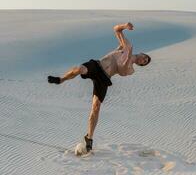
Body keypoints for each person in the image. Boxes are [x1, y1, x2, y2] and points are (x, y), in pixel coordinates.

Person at [47, 22, 151, 152]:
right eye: (145, 57)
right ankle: (61, 79)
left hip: (104, 79)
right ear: (142, 53)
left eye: (144, 62)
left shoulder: (130, 69)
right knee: (80, 68)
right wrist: (125, 26)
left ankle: (89, 138)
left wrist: (128, 57)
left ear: (141, 65)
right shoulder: (125, 46)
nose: (143, 60)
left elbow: (122, 69)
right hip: (97, 66)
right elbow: (116, 30)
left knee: (96, 107)